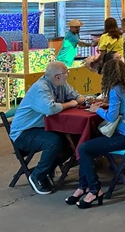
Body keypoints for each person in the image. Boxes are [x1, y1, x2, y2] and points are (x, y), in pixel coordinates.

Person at [66, 59, 125, 208]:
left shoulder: (115, 89)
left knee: (84, 148)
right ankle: (83, 187)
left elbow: (111, 117)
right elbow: (122, 108)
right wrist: (108, 105)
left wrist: (96, 110)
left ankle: (93, 189)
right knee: (87, 146)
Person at [9, 61, 86, 194]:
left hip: (41, 127)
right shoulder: (41, 87)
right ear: (57, 76)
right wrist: (71, 103)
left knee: (73, 140)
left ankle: (47, 169)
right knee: (53, 142)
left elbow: (77, 96)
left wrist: (77, 100)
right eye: (66, 72)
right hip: (24, 132)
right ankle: (37, 175)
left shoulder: (61, 85)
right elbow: (50, 108)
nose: (68, 75)